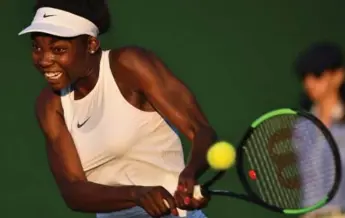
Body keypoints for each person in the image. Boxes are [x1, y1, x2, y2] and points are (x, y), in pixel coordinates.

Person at [18, 0, 217, 217]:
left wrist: (190, 173)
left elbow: (201, 131)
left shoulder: (130, 65)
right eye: (37, 47)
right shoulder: (50, 104)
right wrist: (136, 194)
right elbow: (72, 191)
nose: (44, 60)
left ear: (91, 44)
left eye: (58, 49)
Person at [294, 42, 345, 218]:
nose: (309, 82)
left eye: (317, 75)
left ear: (338, 75)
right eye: (304, 76)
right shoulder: (301, 127)